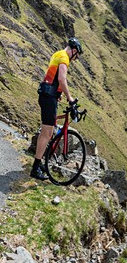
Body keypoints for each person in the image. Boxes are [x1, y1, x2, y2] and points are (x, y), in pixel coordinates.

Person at [31, 37, 83, 180]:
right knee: (47, 134)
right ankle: (35, 168)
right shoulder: (64, 58)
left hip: (48, 95)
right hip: (48, 97)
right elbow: (61, 79)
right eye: (76, 56)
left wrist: (57, 93)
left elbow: (51, 78)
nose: (75, 59)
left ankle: (39, 161)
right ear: (73, 51)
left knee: (47, 132)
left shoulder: (57, 54)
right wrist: (70, 98)